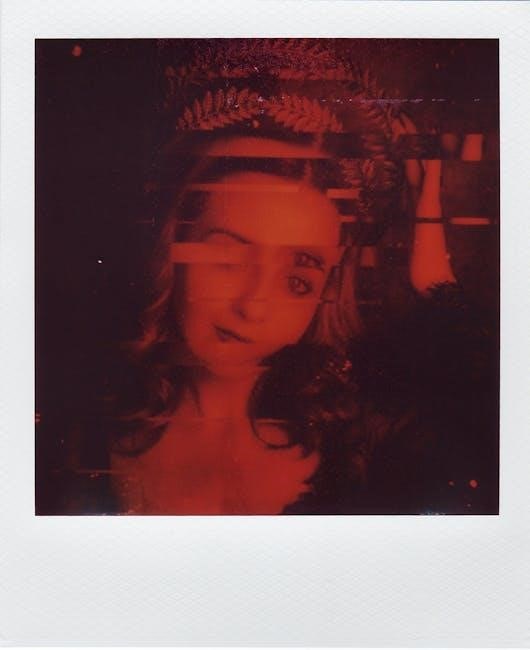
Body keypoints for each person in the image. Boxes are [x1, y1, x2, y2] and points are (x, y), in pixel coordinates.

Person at [96, 40, 496, 515]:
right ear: (172, 245)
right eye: (228, 257)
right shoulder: (74, 432)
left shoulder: (363, 453)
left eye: (297, 281)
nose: (253, 306)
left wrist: (431, 277)